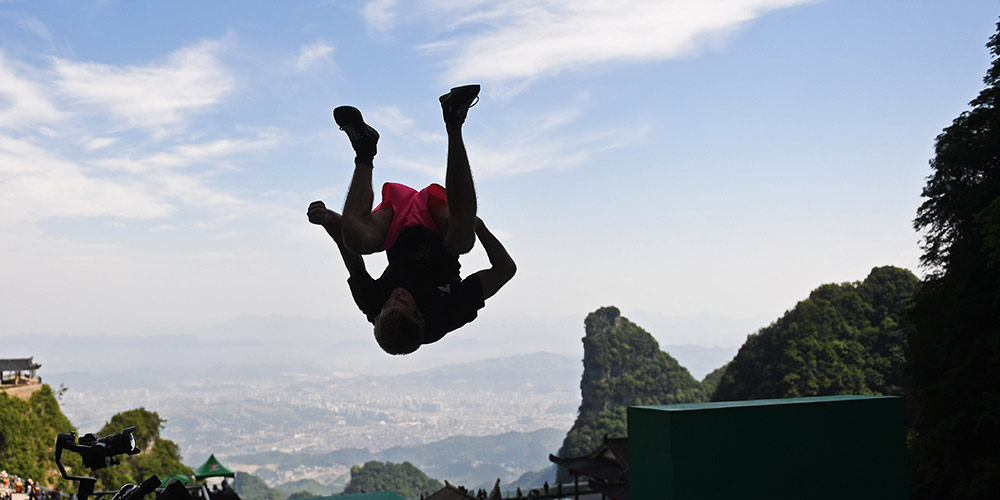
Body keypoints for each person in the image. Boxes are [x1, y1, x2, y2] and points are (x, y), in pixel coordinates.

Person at [308, 85, 516, 355]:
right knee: (462, 241)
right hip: (437, 222)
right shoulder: (447, 314)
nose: (395, 295)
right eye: (402, 302)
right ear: (420, 317)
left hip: (396, 222)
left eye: (389, 304)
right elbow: (505, 270)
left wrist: (329, 221)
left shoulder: (373, 306)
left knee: (357, 241)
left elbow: (350, 255)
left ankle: (364, 149)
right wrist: (481, 228)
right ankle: (454, 119)